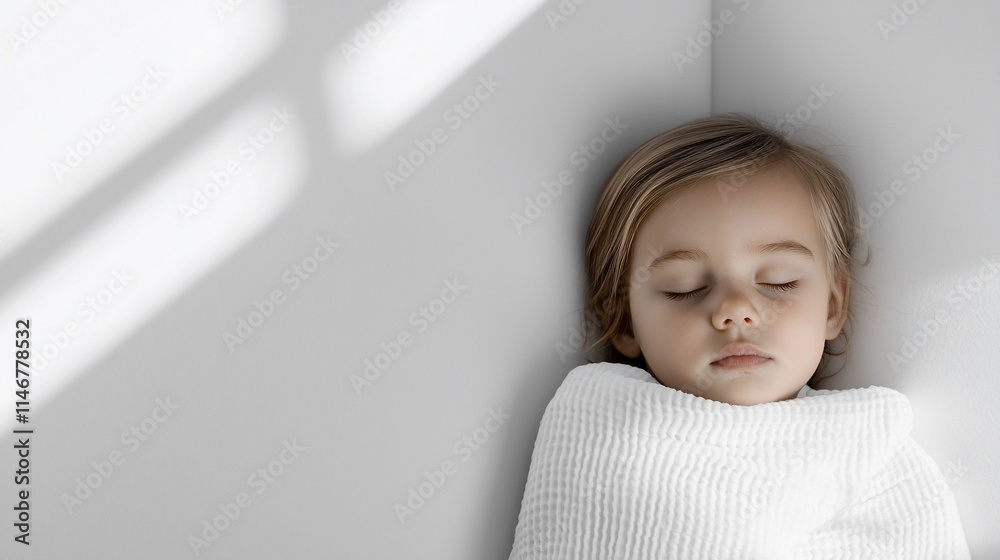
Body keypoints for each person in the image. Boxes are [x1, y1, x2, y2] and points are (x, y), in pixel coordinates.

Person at [508, 114, 971, 559]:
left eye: (779, 282)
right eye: (684, 288)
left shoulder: (870, 445)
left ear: (832, 305)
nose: (735, 311)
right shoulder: (597, 421)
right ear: (626, 321)